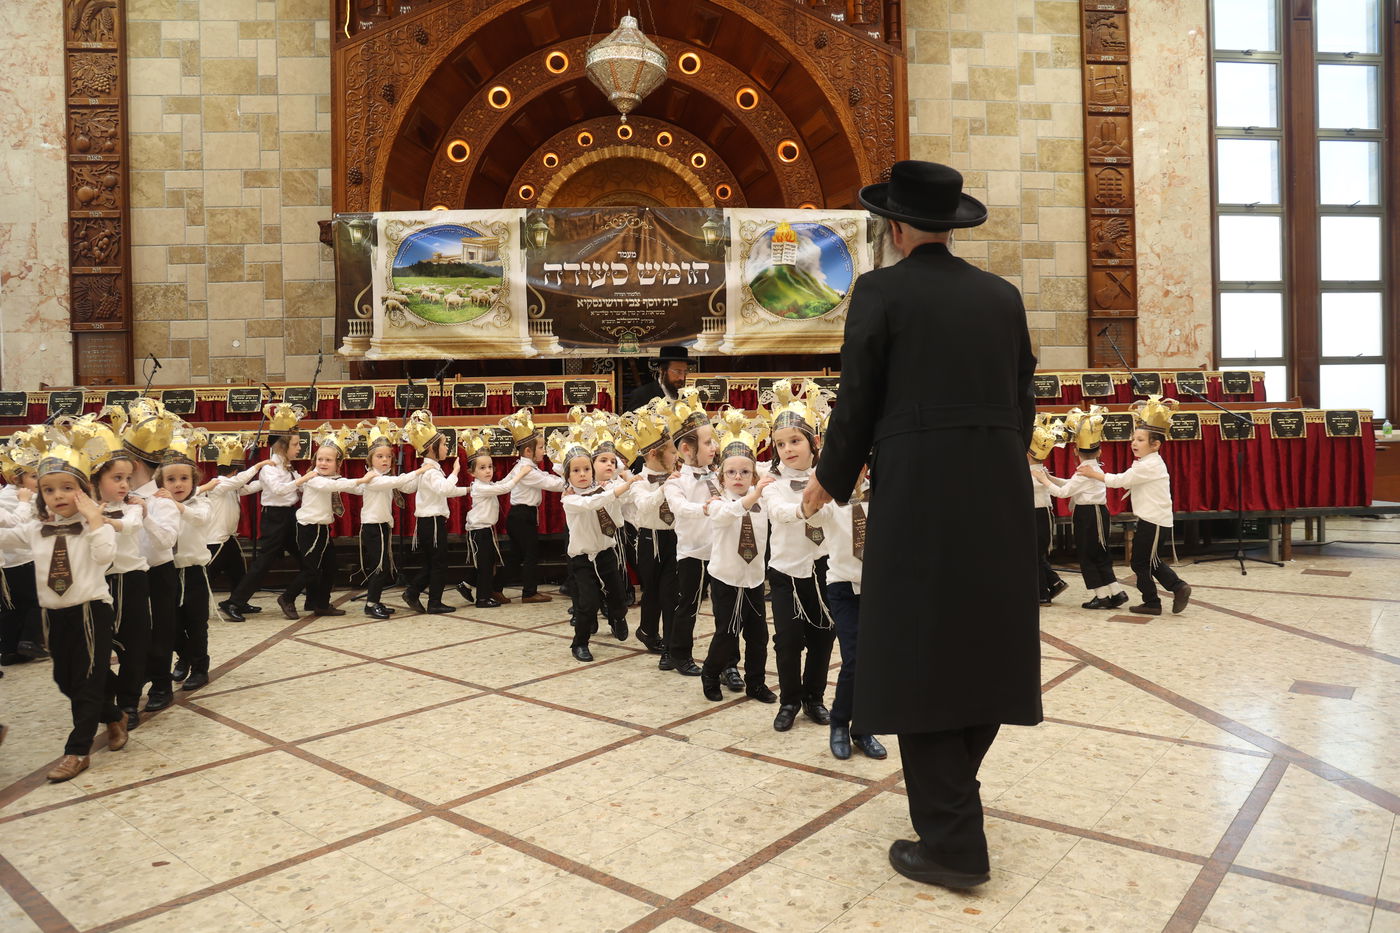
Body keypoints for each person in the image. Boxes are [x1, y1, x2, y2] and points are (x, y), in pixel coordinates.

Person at [805, 161, 1042, 889]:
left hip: (920, 495)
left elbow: (857, 397)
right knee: (983, 642)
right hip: (1000, 489)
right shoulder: (1002, 298)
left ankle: (952, 842)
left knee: (917, 651)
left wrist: (827, 479)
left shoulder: (880, 290)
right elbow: (1025, 399)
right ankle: (952, 802)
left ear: (896, 228)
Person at [0, 433, 122, 783]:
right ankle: (113, 715)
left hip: (90, 611)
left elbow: (105, 558)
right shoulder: (36, 528)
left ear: (83, 490)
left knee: (85, 681)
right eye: (49, 490)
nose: (58, 496)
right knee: (64, 680)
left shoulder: (95, 523)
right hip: (52, 614)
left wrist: (95, 521)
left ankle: (77, 751)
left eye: (67, 488)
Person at [761, 381, 838, 732]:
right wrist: (808, 504)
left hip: (823, 569)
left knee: (823, 636)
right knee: (788, 640)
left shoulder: (831, 479)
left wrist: (819, 497)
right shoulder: (771, 482)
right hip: (786, 571)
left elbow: (834, 516)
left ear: (813, 442)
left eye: (795, 441)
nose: (788, 449)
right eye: (780, 444)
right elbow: (779, 512)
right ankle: (789, 699)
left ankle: (814, 698)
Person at [1075, 396, 1192, 616]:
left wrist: (1094, 473)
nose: (1134, 443)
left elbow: (1120, 481)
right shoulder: (1146, 463)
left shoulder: (1150, 465)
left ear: (1155, 444)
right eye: (1133, 439)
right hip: (1151, 519)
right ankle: (1173, 591)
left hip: (1154, 520)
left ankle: (1158, 598)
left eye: (1140, 440)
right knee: (1150, 562)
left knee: (1141, 562)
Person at [808, 465, 887, 760]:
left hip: (879, 589)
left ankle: (863, 728)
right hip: (843, 590)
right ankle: (840, 723)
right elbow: (811, 514)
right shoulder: (830, 502)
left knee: (873, 661)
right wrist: (813, 497)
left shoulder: (879, 494)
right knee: (855, 658)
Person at [699, 412, 776, 703]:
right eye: (731, 472)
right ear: (722, 477)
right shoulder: (719, 504)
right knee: (727, 634)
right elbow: (730, 514)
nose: (739, 477)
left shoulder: (763, 501)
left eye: (745, 472)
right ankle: (711, 672)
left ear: (753, 474)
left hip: (754, 579)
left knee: (758, 636)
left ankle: (756, 682)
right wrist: (754, 495)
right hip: (726, 580)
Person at [115, 399, 184, 714]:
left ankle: (161, 684)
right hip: (130, 575)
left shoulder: (160, 499)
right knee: (134, 633)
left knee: (161, 630)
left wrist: (145, 514)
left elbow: (168, 540)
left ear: (137, 464)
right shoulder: (118, 495)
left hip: (158, 573)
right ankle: (138, 676)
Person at [553, 425, 639, 661]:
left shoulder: (605, 487)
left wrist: (626, 479)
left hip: (606, 554)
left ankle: (617, 617)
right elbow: (593, 503)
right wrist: (619, 488)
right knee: (587, 602)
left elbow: (624, 495)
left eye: (586, 469)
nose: (582, 474)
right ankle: (579, 643)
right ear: (568, 476)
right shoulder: (569, 500)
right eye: (576, 470)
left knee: (619, 596)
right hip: (582, 559)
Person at [220, 403, 307, 623]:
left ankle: (313, 599)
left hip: (289, 517)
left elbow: (265, 487)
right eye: (296, 444)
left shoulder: (288, 467)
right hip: (275, 519)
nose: (299, 448)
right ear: (282, 446)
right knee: (263, 563)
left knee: (308, 559)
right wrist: (303, 480)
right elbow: (277, 490)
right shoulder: (269, 467)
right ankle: (234, 602)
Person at [1038, 407, 1128, 610]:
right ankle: (1116, 592)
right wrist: (1051, 479)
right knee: (1100, 553)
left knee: (1088, 555)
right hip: (1097, 513)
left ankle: (1102, 596)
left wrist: (1044, 479)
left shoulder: (1084, 472)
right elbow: (1071, 484)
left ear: (1075, 451)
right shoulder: (1092, 469)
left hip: (1088, 515)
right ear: (1100, 451)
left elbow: (1064, 493)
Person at [283, 427, 372, 619]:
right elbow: (335, 486)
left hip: (322, 528)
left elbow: (350, 487)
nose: (323, 463)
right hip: (309, 528)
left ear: (337, 463)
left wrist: (373, 483)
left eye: (328, 460)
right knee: (311, 570)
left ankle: (322, 604)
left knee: (330, 567)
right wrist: (361, 480)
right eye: (320, 459)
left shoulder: (333, 478)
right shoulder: (314, 478)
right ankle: (287, 598)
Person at [661, 388, 719, 677]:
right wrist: (706, 508)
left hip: (720, 553)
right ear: (686, 449)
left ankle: (725, 660)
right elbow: (681, 509)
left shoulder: (719, 475)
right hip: (693, 553)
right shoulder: (675, 482)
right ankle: (679, 653)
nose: (714, 447)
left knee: (723, 607)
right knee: (689, 604)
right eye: (708, 442)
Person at [620, 404, 680, 665]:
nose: (677, 456)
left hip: (674, 537)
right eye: (673, 451)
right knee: (652, 592)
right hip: (648, 539)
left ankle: (670, 648)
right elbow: (644, 506)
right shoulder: (638, 480)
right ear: (655, 453)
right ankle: (647, 630)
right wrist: (666, 486)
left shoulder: (678, 475)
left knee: (670, 594)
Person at [156, 429, 215, 692]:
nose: (178, 484)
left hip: (193, 572)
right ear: (161, 483)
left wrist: (177, 506)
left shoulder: (200, 503)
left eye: (183, 479)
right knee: (172, 624)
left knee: (196, 622)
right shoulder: (158, 505)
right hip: (167, 572)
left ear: (194, 481)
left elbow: (199, 519)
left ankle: (200, 666)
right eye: (171, 479)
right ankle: (185, 656)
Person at [356, 419, 426, 619]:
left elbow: (406, 487)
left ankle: (375, 601)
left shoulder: (386, 478)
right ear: (370, 460)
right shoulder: (373, 478)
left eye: (388, 456)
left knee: (384, 565)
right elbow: (399, 481)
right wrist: (418, 471)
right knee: (380, 566)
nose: (385, 460)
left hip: (382, 526)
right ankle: (370, 604)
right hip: (372, 526)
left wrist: (422, 479)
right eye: (379, 456)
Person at [403, 411, 468, 614]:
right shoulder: (431, 471)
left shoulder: (431, 470)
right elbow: (445, 489)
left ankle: (413, 592)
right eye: (444, 444)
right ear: (432, 448)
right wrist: (456, 472)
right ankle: (434, 602)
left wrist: (467, 490)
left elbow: (443, 491)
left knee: (433, 562)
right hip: (431, 523)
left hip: (429, 522)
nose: (447, 448)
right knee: (439, 563)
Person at [458, 430, 530, 610]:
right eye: (482, 468)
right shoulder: (479, 487)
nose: (488, 470)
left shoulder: (488, 485)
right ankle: (482, 598)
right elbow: (505, 488)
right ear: (471, 472)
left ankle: (465, 585)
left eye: (490, 467)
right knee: (485, 566)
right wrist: (521, 474)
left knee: (486, 563)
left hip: (486, 530)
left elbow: (502, 483)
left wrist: (516, 470)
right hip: (479, 531)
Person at [502, 408, 565, 604]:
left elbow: (545, 478)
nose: (543, 451)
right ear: (528, 451)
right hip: (522, 515)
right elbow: (552, 484)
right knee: (530, 554)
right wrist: (575, 482)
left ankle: (492, 587)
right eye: (540, 448)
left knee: (515, 556)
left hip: (520, 515)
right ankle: (529, 593)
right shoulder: (526, 469)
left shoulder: (525, 467)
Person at [198, 434, 265, 613]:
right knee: (208, 575)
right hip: (215, 539)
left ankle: (238, 602)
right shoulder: (218, 484)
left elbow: (249, 487)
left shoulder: (231, 486)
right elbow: (239, 482)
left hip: (228, 537)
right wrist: (257, 466)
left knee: (239, 572)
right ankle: (194, 606)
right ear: (236, 470)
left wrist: (266, 480)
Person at [1, 433, 47, 666]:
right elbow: (16, 525)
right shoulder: (16, 498)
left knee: (14, 608)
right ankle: (29, 641)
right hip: (21, 559)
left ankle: (10, 650)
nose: (37, 482)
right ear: (16, 479)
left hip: (11, 562)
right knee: (36, 601)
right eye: (33, 476)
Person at [1028, 416, 1069, 607]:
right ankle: (1054, 582)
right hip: (1036, 514)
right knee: (1035, 554)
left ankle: (1043, 594)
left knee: (1035, 555)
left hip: (1039, 514)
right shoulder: (1035, 467)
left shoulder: (1035, 470)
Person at [625, 345, 692, 412]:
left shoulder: (687, 398)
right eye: (678, 372)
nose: (682, 378)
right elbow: (628, 421)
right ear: (662, 370)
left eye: (685, 372)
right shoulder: (641, 395)